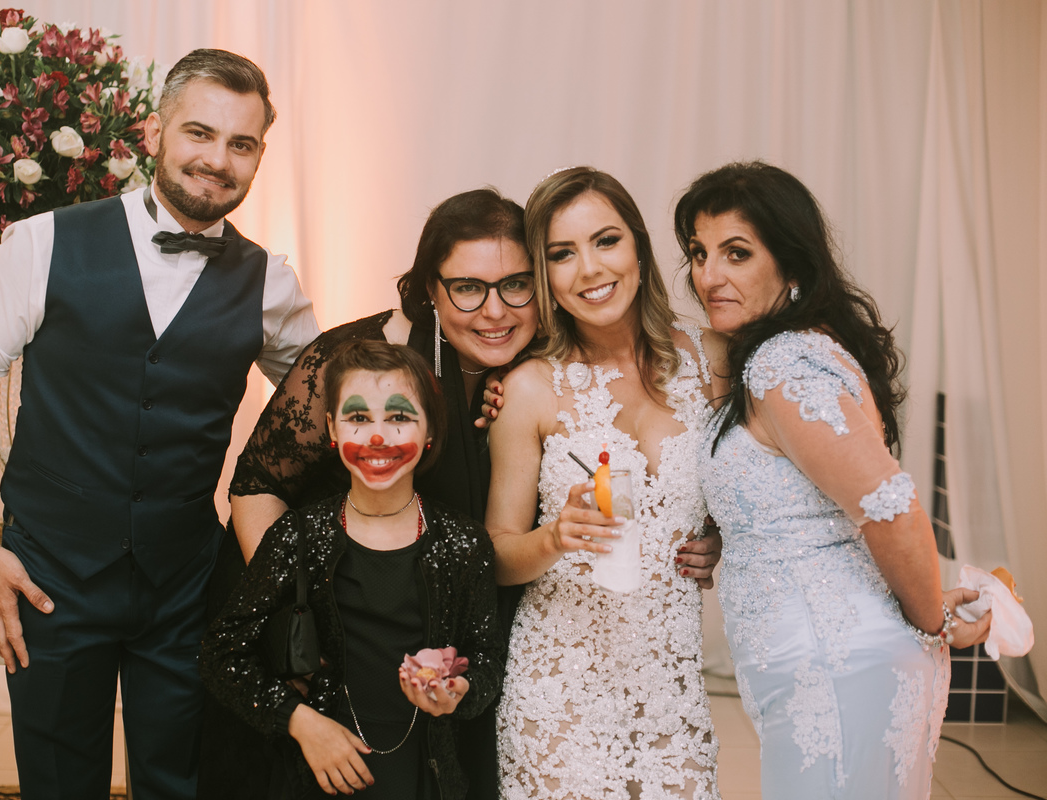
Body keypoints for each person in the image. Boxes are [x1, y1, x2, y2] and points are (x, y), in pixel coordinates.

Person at [199, 188, 723, 799]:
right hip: (329, 634)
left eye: (515, 285)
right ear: (432, 289)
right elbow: (257, 484)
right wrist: (302, 607)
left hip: (454, 655)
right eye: (468, 288)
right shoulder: (365, 363)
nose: (494, 311)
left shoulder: (534, 369)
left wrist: (703, 532)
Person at [0, 49, 320, 799]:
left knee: (182, 781)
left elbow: (332, 397)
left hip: (186, 583)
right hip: (48, 576)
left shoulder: (271, 282)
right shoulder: (41, 243)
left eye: (241, 144)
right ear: (153, 132)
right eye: (200, 133)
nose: (218, 160)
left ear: (259, 156)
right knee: (58, 782)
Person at [674, 160, 991, 799]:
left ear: (792, 266)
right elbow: (800, 503)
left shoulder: (783, 364)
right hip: (815, 666)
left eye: (737, 253)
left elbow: (890, 504)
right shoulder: (775, 354)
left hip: (837, 664)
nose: (709, 276)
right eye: (699, 254)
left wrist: (933, 620)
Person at [486, 167, 721, 799]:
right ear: (544, 275)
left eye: (606, 241)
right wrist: (554, 537)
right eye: (562, 253)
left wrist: (719, 537)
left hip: (671, 692)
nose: (589, 269)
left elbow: (754, 483)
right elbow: (497, 554)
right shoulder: (530, 388)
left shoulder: (712, 362)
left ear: (639, 246)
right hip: (559, 694)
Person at [201, 340, 505, 799]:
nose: (377, 437)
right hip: (320, 779)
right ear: (331, 428)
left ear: (430, 429)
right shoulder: (299, 536)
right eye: (358, 418)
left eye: (399, 417)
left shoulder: (464, 544)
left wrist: (460, 690)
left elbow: (487, 660)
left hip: (423, 780)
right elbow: (221, 654)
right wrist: (299, 721)